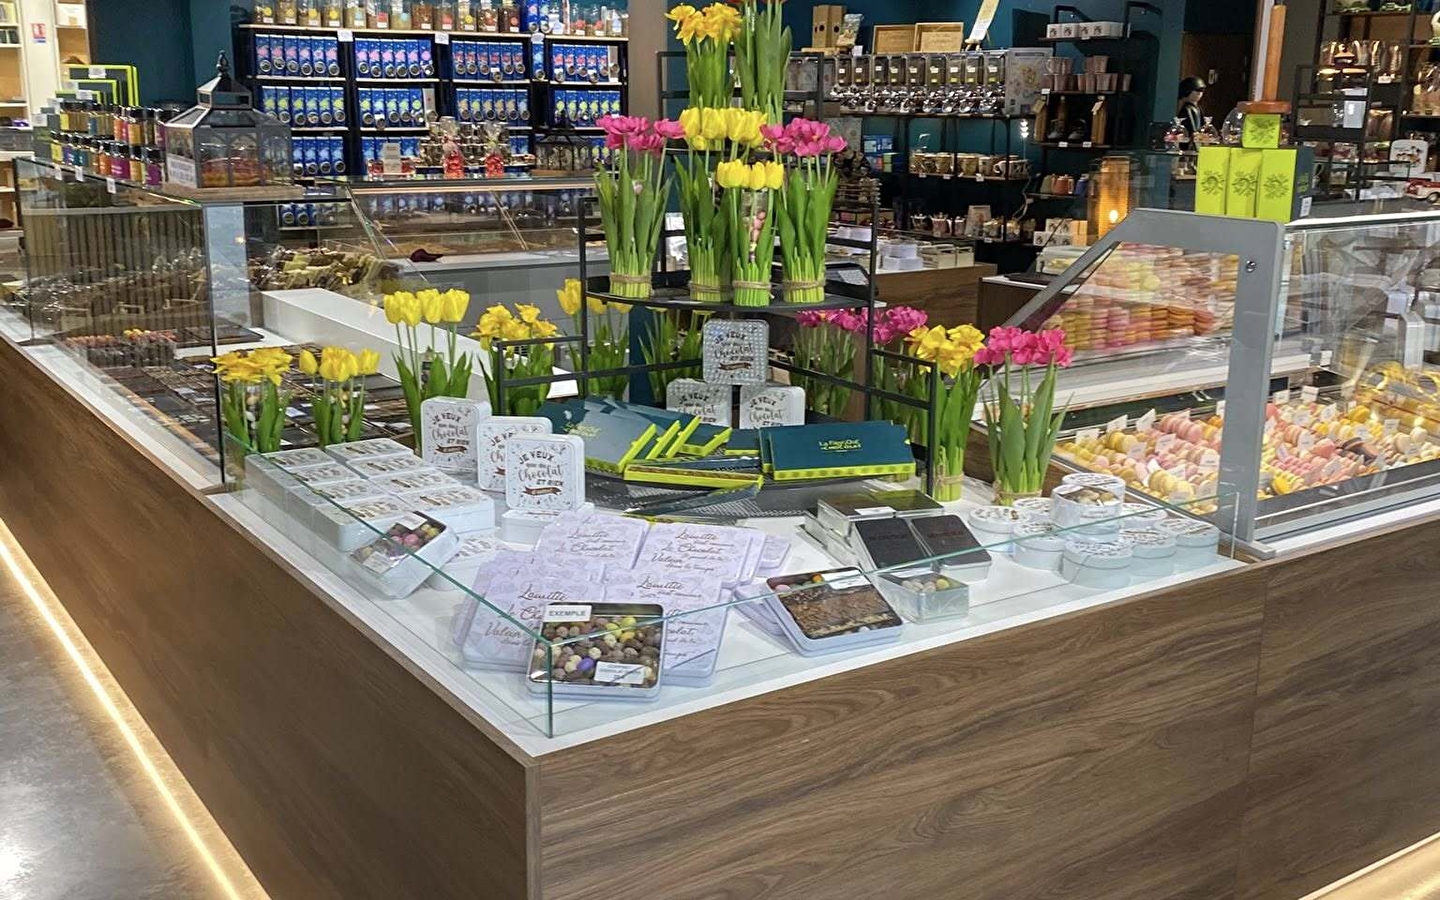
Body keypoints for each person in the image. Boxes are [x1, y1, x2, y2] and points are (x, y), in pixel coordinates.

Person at [1177, 76, 1207, 147]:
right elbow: (1191, 126)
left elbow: (1203, 123)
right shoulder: (1187, 108)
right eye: (1197, 91)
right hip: (1189, 141)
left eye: (1201, 91)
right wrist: (1194, 133)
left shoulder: (1198, 108)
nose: (1199, 93)